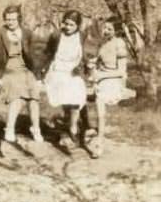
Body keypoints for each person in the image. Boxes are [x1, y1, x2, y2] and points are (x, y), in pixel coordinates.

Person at [0, 5, 43, 144]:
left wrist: (38, 77)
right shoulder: (0, 33)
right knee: (17, 95)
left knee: (34, 97)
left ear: (18, 19)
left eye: (13, 19)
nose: (10, 22)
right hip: (9, 68)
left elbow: (34, 56)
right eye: (7, 20)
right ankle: (9, 128)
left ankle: (36, 128)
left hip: (26, 69)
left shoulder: (27, 33)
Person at [86, 16, 134, 158]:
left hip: (113, 80)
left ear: (117, 30)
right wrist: (93, 63)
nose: (105, 31)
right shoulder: (104, 43)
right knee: (81, 96)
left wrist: (101, 76)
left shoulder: (119, 44)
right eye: (105, 28)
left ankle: (99, 143)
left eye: (109, 29)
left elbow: (121, 71)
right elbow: (102, 61)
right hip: (102, 77)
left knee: (99, 103)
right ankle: (89, 128)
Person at [43, 9, 87, 147]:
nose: (67, 27)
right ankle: (63, 128)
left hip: (73, 71)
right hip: (57, 70)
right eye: (65, 23)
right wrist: (42, 71)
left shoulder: (81, 36)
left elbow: (84, 56)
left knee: (77, 90)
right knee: (63, 90)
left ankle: (73, 126)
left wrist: (80, 67)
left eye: (71, 25)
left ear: (77, 26)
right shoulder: (56, 35)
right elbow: (48, 54)